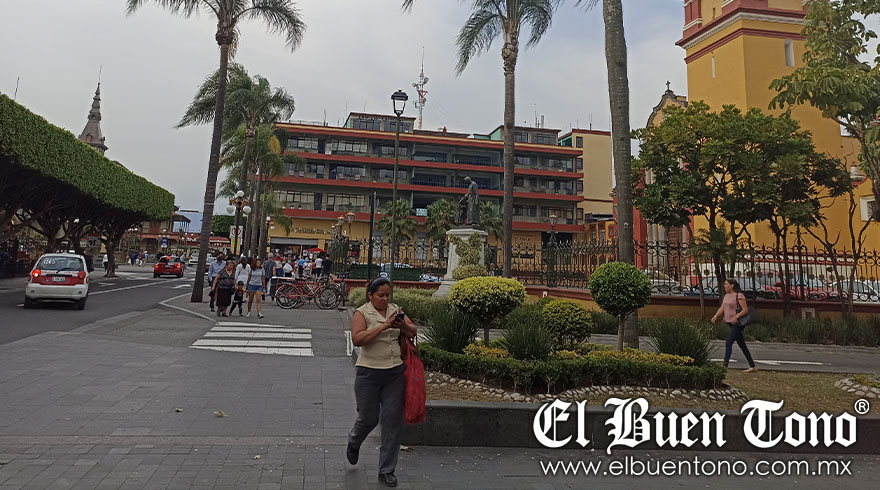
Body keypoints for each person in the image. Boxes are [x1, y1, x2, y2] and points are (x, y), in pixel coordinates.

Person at [346, 278, 417, 487]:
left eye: (388, 295)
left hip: (395, 373)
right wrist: (384, 326)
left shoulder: (396, 310)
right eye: (380, 295)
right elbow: (358, 339)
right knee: (368, 418)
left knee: (392, 422)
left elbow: (413, 332)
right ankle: (354, 441)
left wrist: (402, 325)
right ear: (370, 295)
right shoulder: (362, 313)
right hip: (368, 373)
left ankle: (387, 470)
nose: (385, 299)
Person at [712, 279, 758, 373]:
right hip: (730, 322)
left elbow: (745, 310)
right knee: (742, 345)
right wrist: (716, 315)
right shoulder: (726, 295)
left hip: (738, 323)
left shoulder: (739, 295)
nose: (724, 286)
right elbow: (722, 307)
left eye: (726, 284)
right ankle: (752, 366)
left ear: (732, 285)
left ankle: (724, 366)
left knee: (728, 342)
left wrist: (736, 317)